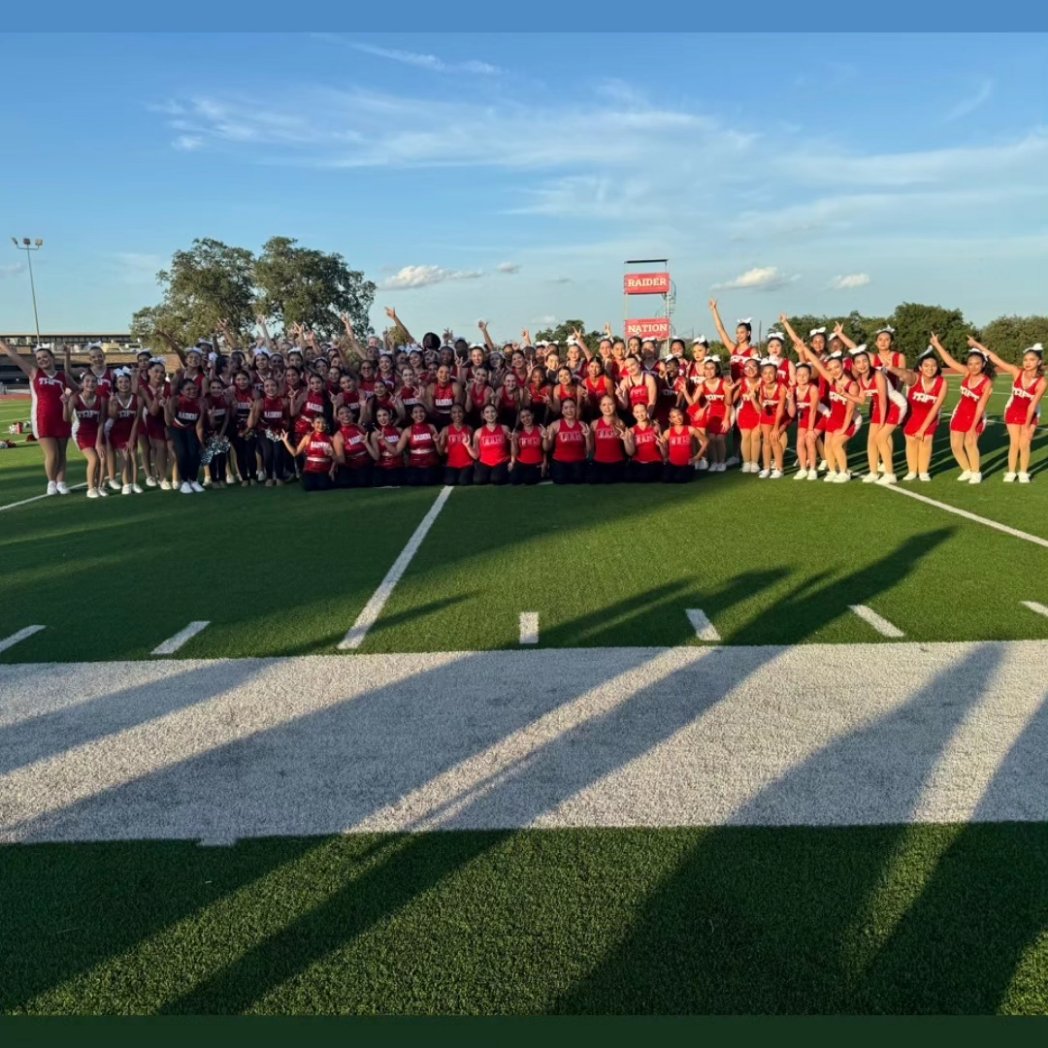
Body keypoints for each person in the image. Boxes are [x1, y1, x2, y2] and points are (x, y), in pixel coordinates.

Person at [1, 341, 74, 494]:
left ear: (53, 358)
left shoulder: (62, 377)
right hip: (42, 419)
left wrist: (70, 401)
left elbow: (80, 390)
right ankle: (51, 482)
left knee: (61, 453)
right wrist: (2, 344)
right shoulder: (34, 373)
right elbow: (14, 357)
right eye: (39, 358)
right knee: (52, 454)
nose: (42, 360)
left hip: (62, 418)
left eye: (45, 357)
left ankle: (61, 482)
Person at [929, 334, 995, 484]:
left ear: (983, 364)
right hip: (960, 413)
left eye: (977, 363)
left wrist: (973, 427)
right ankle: (967, 470)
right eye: (970, 363)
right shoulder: (966, 373)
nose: (973, 366)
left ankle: (976, 472)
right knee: (955, 445)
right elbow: (950, 361)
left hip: (976, 415)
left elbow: (980, 406)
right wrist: (937, 344)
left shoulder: (986, 383)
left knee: (970, 443)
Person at [978, 339, 1045, 483]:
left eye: (1032, 360)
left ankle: (1023, 473)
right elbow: (996, 359)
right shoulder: (1016, 372)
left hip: (1031, 413)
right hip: (1013, 411)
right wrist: (978, 346)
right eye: (1025, 359)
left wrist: (1027, 427)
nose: (1027, 363)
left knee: (1025, 443)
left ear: (1039, 362)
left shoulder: (1042, 382)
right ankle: (1011, 472)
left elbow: (1032, 406)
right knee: (1014, 443)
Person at [888, 348, 948, 482]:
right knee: (911, 442)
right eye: (926, 366)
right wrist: (892, 368)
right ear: (920, 367)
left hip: (930, 416)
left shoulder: (942, 382)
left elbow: (936, 406)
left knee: (926, 441)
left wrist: (922, 429)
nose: (930, 368)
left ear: (937, 367)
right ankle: (912, 471)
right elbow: (905, 374)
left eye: (933, 366)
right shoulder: (915, 377)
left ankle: (923, 472)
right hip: (912, 416)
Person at [63, 371, 107, 498]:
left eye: (93, 381)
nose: (90, 384)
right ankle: (90, 488)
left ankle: (99, 486)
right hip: (81, 433)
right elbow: (66, 418)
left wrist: (99, 442)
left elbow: (102, 421)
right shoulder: (75, 398)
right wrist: (65, 404)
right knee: (93, 459)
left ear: (97, 384)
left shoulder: (101, 399)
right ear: (82, 383)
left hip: (97, 432)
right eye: (87, 381)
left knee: (102, 459)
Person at [163, 376, 206, 493]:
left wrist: (201, 442)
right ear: (181, 391)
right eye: (188, 389)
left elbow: (199, 425)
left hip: (190, 429)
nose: (192, 391)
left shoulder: (200, 403)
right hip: (176, 429)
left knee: (194, 453)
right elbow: (168, 422)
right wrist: (166, 408)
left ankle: (194, 480)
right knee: (182, 453)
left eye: (194, 388)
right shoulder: (176, 401)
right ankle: (184, 481)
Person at [106, 368, 142, 494]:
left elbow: (137, 419)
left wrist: (132, 439)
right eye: (120, 382)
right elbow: (113, 417)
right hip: (117, 432)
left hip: (131, 430)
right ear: (116, 385)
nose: (123, 384)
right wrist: (114, 406)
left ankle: (135, 483)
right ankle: (126, 484)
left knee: (134, 456)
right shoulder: (112, 398)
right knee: (124, 456)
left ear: (130, 383)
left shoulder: (138, 399)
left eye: (126, 382)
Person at [281, 416, 339, 491]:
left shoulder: (330, 438)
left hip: (324, 470)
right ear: (312, 424)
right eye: (318, 422)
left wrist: (332, 470)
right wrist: (285, 441)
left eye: (323, 423)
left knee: (323, 486)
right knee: (308, 487)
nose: (321, 425)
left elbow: (336, 458)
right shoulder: (307, 437)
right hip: (310, 470)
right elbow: (295, 453)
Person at [252, 377, 290, 486]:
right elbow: (255, 422)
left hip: (279, 431)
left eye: (273, 385)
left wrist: (283, 430)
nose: (270, 388)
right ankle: (269, 476)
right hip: (264, 432)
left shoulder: (284, 401)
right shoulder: (260, 402)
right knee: (268, 453)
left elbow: (287, 418)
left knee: (278, 453)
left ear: (277, 388)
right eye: (267, 386)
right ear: (264, 389)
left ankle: (279, 476)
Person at [544, 397, 590, 484]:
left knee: (578, 480)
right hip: (560, 461)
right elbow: (547, 448)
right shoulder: (555, 425)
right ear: (562, 411)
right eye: (566, 408)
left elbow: (589, 450)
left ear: (576, 409)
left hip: (578, 461)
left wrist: (587, 437)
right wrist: (546, 438)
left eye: (572, 407)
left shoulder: (582, 425)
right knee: (560, 480)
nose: (569, 410)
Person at [789, 362, 820, 481]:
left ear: (810, 375)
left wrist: (811, 429)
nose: (801, 377)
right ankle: (802, 468)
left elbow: (813, 411)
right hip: (802, 417)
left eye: (805, 375)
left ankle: (812, 469)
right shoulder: (793, 389)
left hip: (816, 416)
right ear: (795, 376)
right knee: (799, 442)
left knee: (809, 440)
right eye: (799, 375)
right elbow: (792, 413)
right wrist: (791, 400)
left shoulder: (813, 389)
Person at [756, 359, 787, 478]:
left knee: (774, 439)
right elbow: (760, 409)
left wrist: (776, 427)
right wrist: (753, 398)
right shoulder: (760, 386)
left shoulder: (781, 387)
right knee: (766, 441)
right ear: (761, 374)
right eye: (765, 373)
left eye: (771, 373)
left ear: (776, 374)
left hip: (780, 416)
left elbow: (781, 409)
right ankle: (766, 467)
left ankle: (779, 468)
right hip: (767, 415)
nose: (768, 376)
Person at [398, 403, 442, 485]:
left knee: (428, 481)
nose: (419, 414)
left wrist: (437, 442)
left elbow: (440, 452)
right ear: (411, 415)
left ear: (425, 413)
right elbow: (397, 451)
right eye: (415, 412)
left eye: (421, 411)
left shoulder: (431, 427)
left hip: (431, 465)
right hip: (415, 466)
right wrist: (383, 440)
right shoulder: (407, 430)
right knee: (413, 482)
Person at [333, 404, 375, 488]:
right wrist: (331, 455)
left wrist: (363, 406)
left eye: (348, 412)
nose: (345, 415)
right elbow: (341, 460)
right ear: (337, 418)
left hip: (367, 463)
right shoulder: (338, 436)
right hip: (351, 467)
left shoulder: (359, 427)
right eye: (341, 413)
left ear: (352, 414)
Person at [660, 406, 707, 482]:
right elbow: (664, 454)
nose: (678, 418)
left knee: (679, 479)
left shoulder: (690, 429)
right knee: (665, 479)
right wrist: (660, 445)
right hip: (673, 463)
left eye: (679, 415)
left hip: (687, 463)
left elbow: (706, 441)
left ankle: (687, 472)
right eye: (674, 417)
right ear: (670, 419)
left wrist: (697, 457)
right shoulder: (667, 432)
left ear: (682, 415)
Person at [589, 394, 628, 483]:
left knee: (612, 479)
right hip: (599, 462)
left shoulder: (620, 423)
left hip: (617, 461)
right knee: (593, 480)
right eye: (604, 405)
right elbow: (590, 447)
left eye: (610, 404)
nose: (607, 407)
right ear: (600, 407)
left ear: (615, 405)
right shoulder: (594, 424)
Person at [734, 357, 763, 473]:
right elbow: (730, 401)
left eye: (753, 366)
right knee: (745, 437)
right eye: (747, 367)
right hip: (744, 412)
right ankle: (746, 462)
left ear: (759, 368)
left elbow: (761, 409)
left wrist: (754, 397)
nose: (750, 369)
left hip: (759, 413)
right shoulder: (741, 381)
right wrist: (731, 388)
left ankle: (755, 462)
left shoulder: (763, 381)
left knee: (755, 436)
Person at [472, 403, 513, 485]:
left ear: (497, 413)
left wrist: (512, 462)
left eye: (492, 411)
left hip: (501, 461)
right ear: (483, 415)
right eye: (487, 412)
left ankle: (499, 474)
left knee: (497, 480)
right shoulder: (478, 432)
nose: (490, 414)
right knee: (478, 480)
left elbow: (512, 447)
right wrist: (467, 445)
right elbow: (476, 455)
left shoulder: (505, 428)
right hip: (485, 462)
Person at [624, 402, 664, 482]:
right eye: (637, 412)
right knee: (627, 477)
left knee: (645, 477)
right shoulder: (632, 430)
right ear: (633, 414)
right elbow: (630, 453)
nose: (640, 414)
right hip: (638, 461)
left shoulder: (656, 427)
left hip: (654, 461)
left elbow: (664, 450)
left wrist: (662, 444)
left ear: (647, 412)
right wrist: (626, 439)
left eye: (642, 411)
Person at [438, 403, 475, 485]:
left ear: (464, 414)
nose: (457, 415)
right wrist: (437, 442)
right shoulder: (446, 429)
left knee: (463, 482)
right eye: (454, 413)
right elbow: (440, 452)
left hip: (467, 464)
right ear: (450, 415)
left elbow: (473, 448)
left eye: (460, 412)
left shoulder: (469, 429)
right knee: (450, 481)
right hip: (452, 464)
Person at [370, 405, 405, 486]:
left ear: (390, 415)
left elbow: (399, 452)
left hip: (397, 466)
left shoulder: (399, 430)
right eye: (379, 416)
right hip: (381, 467)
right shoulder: (374, 434)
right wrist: (366, 443)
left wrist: (383, 440)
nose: (382, 418)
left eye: (385, 415)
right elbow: (376, 457)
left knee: (394, 481)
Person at [511, 407, 545, 485]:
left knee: (529, 480)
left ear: (532, 415)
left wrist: (544, 463)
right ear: (520, 418)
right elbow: (515, 453)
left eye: (528, 415)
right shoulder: (517, 432)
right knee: (514, 480)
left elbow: (544, 449)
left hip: (536, 462)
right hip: (521, 462)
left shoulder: (540, 430)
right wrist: (513, 441)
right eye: (523, 417)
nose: (526, 418)